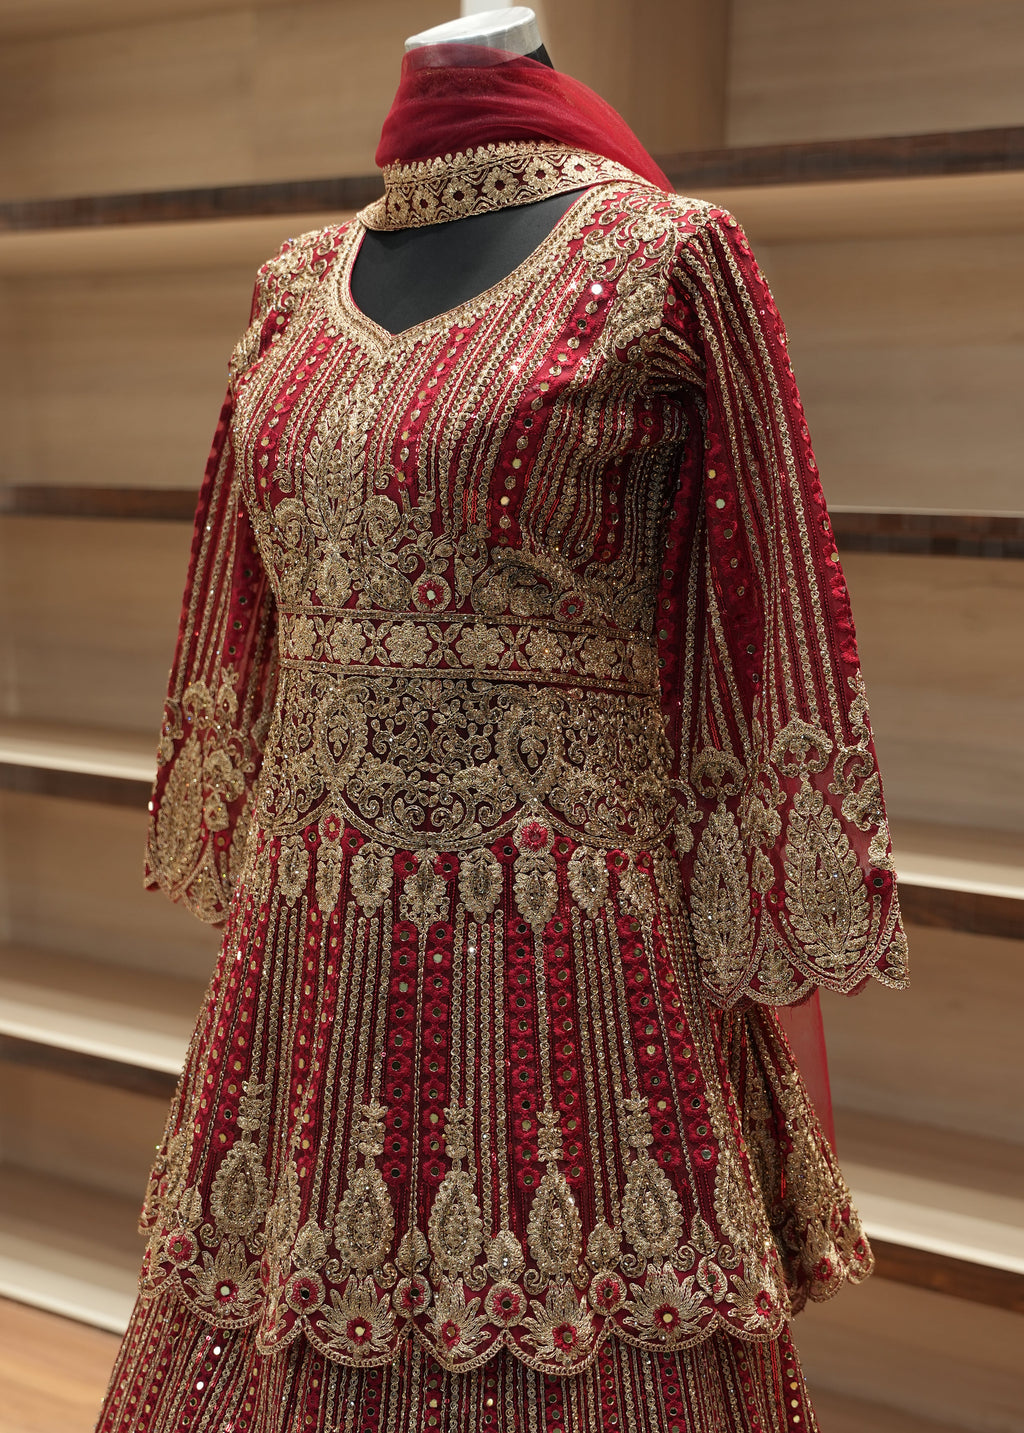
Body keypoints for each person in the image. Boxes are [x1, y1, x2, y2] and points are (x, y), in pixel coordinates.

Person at [95, 12, 908, 1432]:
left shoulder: (664, 261)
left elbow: (761, 613)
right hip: (314, 949)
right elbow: (247, 613)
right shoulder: (294, 284)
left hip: (566, 953)